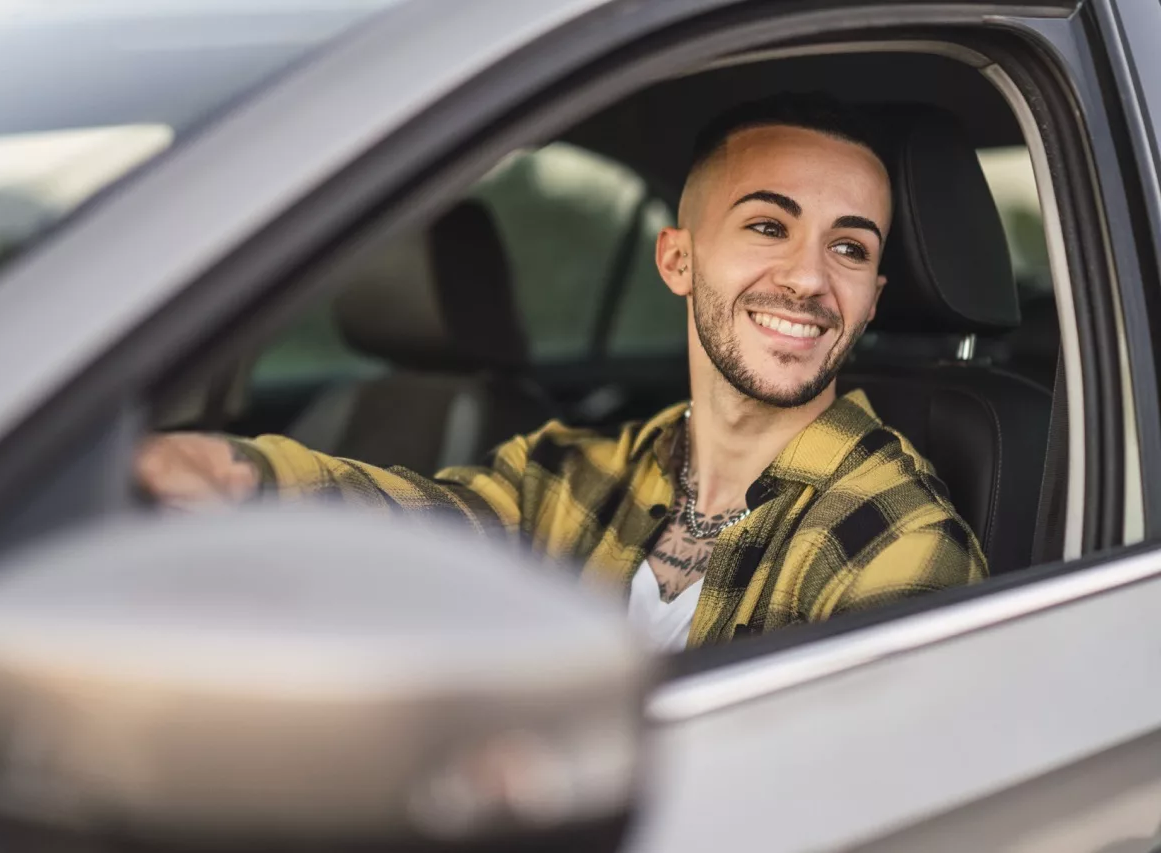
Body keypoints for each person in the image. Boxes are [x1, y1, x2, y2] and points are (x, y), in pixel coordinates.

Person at [136, 94, 987, 650]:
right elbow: (429, 523)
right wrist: (237, 474)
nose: (808, 278)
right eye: (769, 226)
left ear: (872, 298)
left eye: (848, 248)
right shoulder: (586, 470)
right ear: (678, 259)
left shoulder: (900, 544)